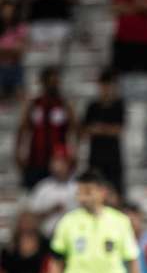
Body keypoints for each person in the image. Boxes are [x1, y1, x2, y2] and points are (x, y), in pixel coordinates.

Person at [15, 67, 76, 190]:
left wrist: (74, 154)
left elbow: (74, 130)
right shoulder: (33, 104)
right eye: (50, 82)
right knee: (32, 193)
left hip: (59, 160)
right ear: (43, 83)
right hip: (36, 158)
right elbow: (22, 129)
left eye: (55, 82)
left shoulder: (64, 105)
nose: (52, 86)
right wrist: (18, 152)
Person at [80, 69, 125, 197]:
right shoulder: (92, 106)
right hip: (96, 157)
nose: (107, 89)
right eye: (104, 85)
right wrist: (104, 129)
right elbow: (84, 130)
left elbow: (118, 130)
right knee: (94, 189)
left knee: (115, 192)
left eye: (110, 85)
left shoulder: (118, 105)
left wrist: (99, 128)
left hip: (113, 157)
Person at [26, 144, 77, 238]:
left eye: (62, 161)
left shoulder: (77, 187)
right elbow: (30, 217)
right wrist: (51, 211)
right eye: (55, 160)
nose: (57, 165)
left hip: (72, 237)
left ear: (69, 164)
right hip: (46, 237)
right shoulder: (43, 186)